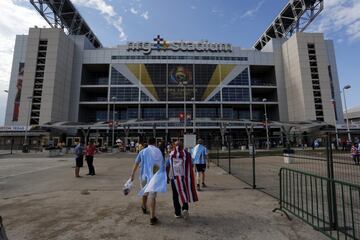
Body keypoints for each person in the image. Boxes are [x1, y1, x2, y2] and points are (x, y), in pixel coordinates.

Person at [130, 137, 167, 225]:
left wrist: (132, 174)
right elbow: (162, 164)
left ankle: (143, 207)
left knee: (145, 192)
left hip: (144, 176)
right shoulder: (158, 151)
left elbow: (136, 163)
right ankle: (152, 217)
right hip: (154, 177)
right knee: (153, 196)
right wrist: (163, 176)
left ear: (148, 143)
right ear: (155, 143)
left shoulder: (143, 151)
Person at [167, 141, 198, 219]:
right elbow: (191, 164)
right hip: (184, 179)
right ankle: (185, 208)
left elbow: (167, 166)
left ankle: (177, 213)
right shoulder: (187, 154)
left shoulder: (171, 154)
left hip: (174, 178)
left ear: (174, 146)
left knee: (175, 196)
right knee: (184, 192)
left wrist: (167, 177)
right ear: (182, 146)